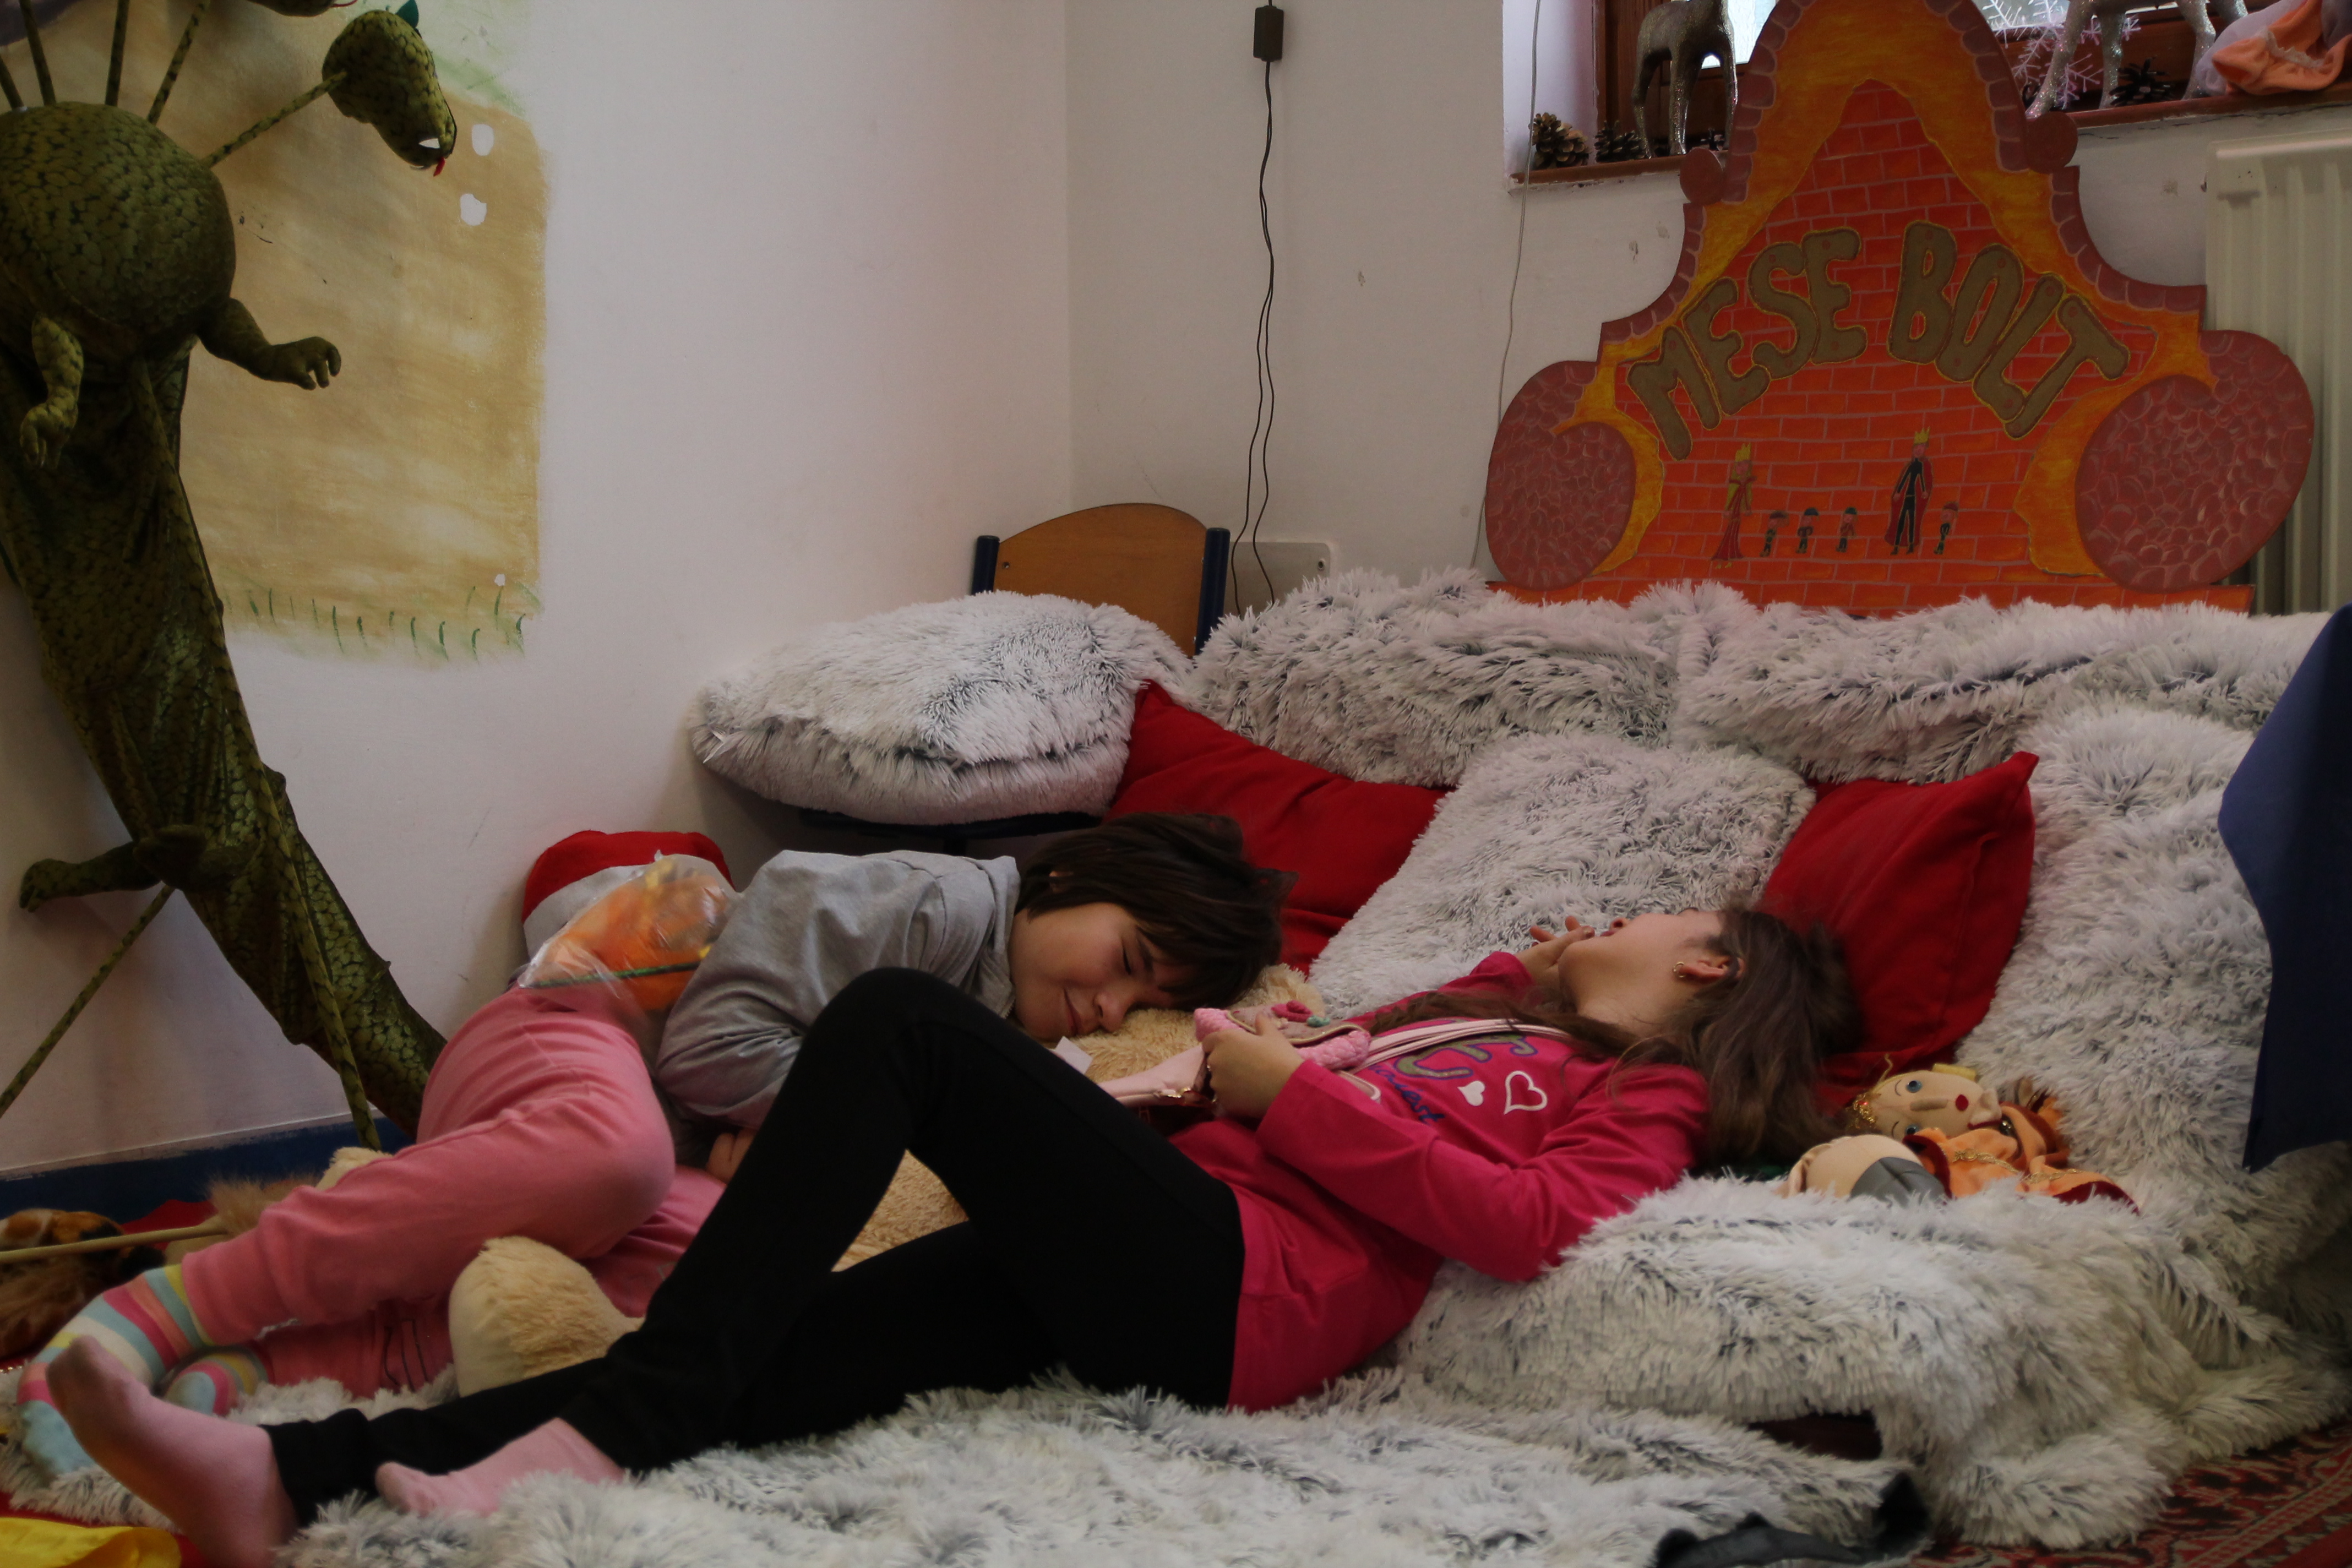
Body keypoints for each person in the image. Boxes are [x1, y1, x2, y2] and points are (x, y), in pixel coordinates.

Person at [47, 906, 1859, 1568]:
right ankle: (289, 1482)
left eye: (1652, 911)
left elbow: (1525, 1224)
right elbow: (1330, 1052)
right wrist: (1272, 1060)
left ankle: (604, 1425)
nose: (1608, 916)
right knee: (769, 1353)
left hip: (1246, 1293)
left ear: (1708, 960)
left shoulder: (1633, 1094)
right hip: (1161, 1242)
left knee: (905, 1028)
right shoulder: (1491, 1009)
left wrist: (1284, 1095)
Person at [13, 813, 1287, 1479]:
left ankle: (265, 1372)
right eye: (1127, 959)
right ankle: (175, 1304)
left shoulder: (1014, 1027)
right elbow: (709, 1049)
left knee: (719, 1300)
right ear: (1067, 882)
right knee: (617, 1154)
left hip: (658, 1141)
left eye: (1146, 1000)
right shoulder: (938, 904)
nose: (1112, 1005)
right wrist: (798, 1121)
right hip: (571, 1038)